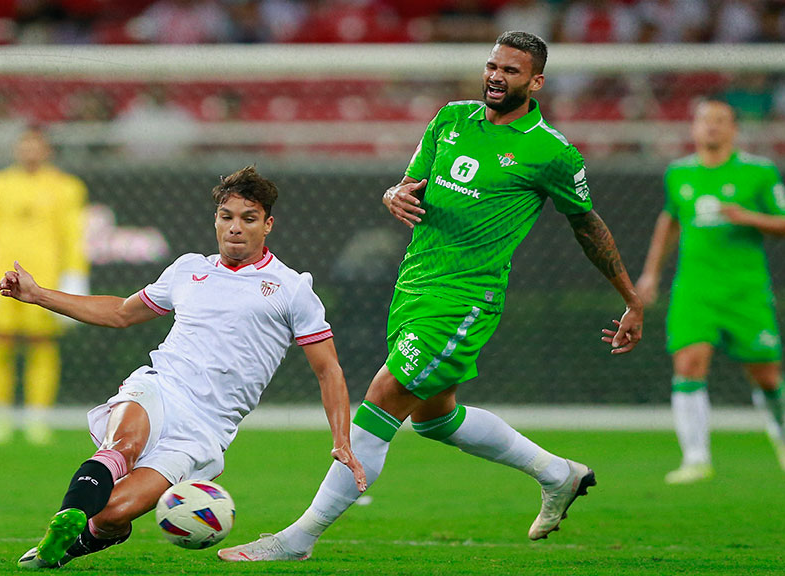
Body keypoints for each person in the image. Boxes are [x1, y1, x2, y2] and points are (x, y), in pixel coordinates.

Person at [218, 31, 643, 562]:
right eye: (492, 65)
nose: (495, 76)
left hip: (465, 300)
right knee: (435, 417)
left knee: (382, 401)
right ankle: (559, 474)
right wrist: (393, 194)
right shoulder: (449, 119)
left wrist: (631, 297)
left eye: (511, 71)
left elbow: (588, 225)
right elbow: (407, 186)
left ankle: (298, 539)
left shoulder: (551, 152)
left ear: (536, 82)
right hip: (416, 286)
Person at [4, 166, 367, 569]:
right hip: (160, 389)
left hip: (205, 430)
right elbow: (121, 312)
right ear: (216, 219)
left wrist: (342, 440)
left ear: (268, 225)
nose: (235, 228)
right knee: (121, 445)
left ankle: (79, 540)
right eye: (226, 216)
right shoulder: (188, 268)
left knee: (110, 516)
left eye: (248, 219)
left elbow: (328, 370)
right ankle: (65, 520)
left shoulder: (292, 288)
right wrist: (38, 295)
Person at [633, 98, 785, 484]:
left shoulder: (759, 172)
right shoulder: (678, 173)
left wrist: (747, 217)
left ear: (734, 130)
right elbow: (670, 220)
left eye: (720, 121)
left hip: (745, 291)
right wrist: (650, 274)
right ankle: (696, 457)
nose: (711, 127)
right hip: (695, 288)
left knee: (766, 375)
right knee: (688, 364)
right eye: (704, 120)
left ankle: (781, 431)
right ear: (694, 128)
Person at [0, 126, 90, 445]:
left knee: (41, 344)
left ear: (47, 150)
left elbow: (74, 236)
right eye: (25, 145)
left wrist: (75, 276)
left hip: (45, 279)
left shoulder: (67, 188)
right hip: (0, 278)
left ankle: (37, 418)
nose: (29, 151)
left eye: (36, 145)